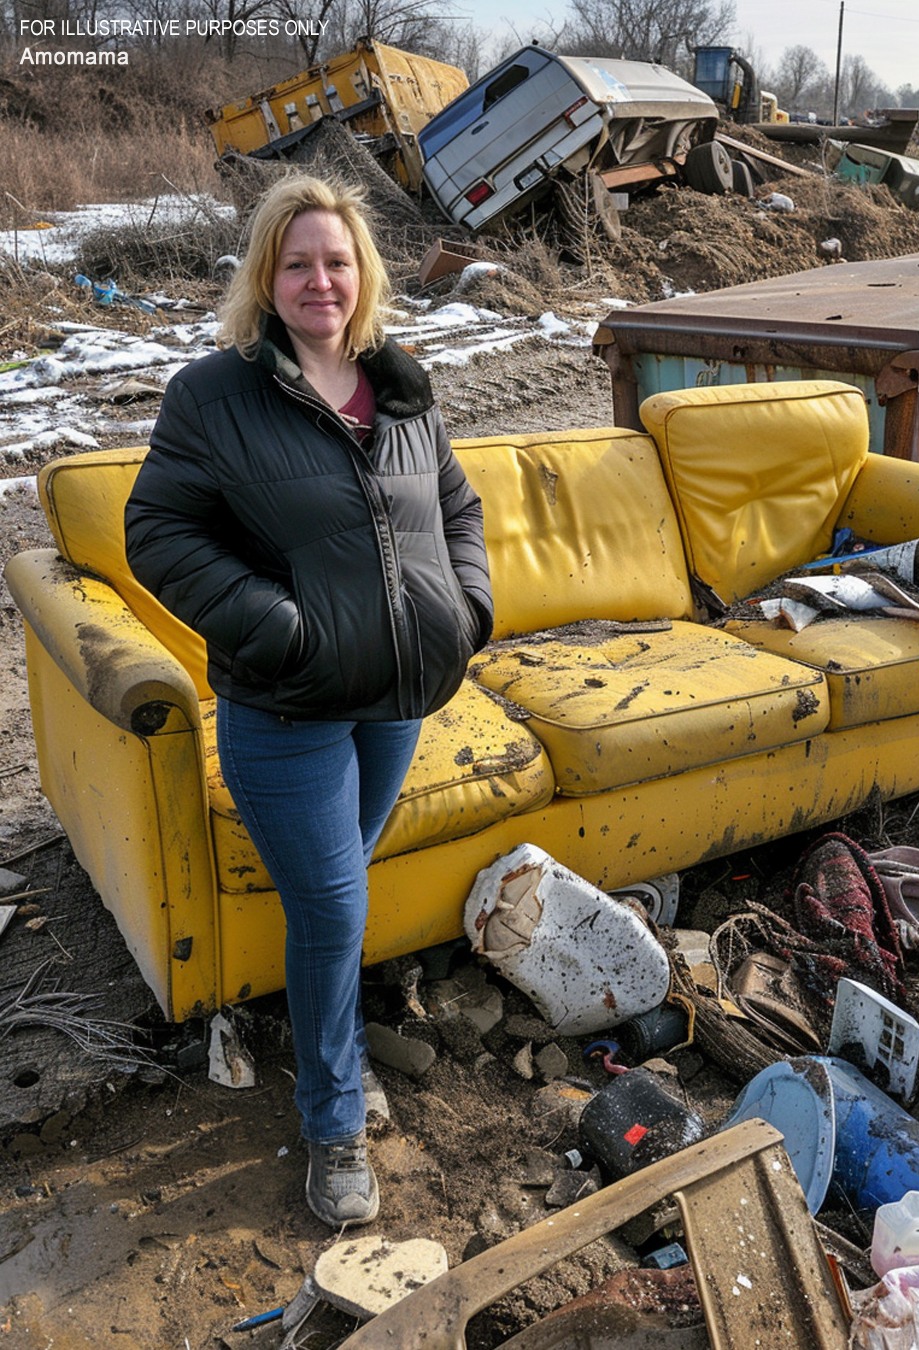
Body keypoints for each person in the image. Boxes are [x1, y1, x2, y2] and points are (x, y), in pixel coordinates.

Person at [124, 174, 494, 1228]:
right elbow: (160, 532)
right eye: (297, 263)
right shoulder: (216, 394)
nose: (319, 280)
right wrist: (277, 626)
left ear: (364, 273)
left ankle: (312, 1029)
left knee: (334, 899)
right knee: (334, 905)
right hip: (285, 703)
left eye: (336, 261)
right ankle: (334, 1123)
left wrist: (465, 607)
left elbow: (456, 505)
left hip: (398, 696)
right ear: (267, 279)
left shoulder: (404, 388)